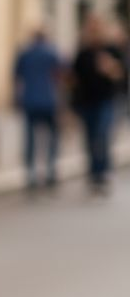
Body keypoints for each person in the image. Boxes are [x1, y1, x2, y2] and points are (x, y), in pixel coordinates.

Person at [71, 14, 128, 194]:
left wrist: (111, 67)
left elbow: (122, 76)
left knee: (102, 135)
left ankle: (103, 172)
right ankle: (93, 174)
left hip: (106, 100)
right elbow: (74, 78)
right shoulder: (83, 52)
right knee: (89, 138)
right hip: (87, 101)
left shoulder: (111, 50)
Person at [13, 27, 64, 190]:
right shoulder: (52, 53)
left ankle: (31, 173)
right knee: (52, 137)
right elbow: (63, 73)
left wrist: (16, 98)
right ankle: (50, 170)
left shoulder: (25, 53)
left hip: (30, 100)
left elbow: (16, 76)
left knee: (30, 138)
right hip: (49, 100)